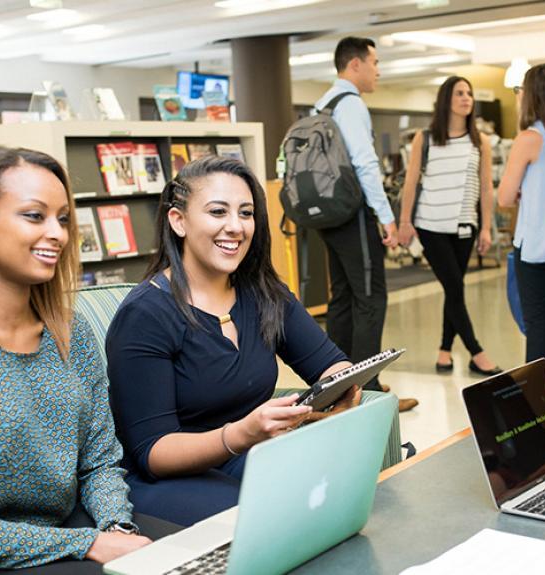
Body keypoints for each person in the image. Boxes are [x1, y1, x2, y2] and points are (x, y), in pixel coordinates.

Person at [0, 146, 171, 574]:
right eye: (34, 215)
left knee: (186, 553)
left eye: (62, 218)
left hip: (60, 526)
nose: (58, 233)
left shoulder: (69, 332)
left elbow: (99, 461)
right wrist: (89, 543)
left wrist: (116, 528)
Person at [105, 156, 361, 527]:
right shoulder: (146, 315)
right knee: (265, 512)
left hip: (247, 453)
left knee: (343, 482)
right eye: (217, 212)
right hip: (166, 477)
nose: (235, 227)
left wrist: (340, 392)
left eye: (246, 213)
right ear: (178, 221)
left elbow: (330, 365)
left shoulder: (263, 294)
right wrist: (242, 434)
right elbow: (152, 452)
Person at [315, 36, 418, 411]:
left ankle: (335, 388)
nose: (378, 70)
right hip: (352, 213)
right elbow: (364, 164)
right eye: (374, 62)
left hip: (329, 217)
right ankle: (368, 391)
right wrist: (385, 216)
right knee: (371, 297)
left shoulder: (321, 103)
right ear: (354, 64)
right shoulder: (351, 104)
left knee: (342, 298)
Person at [397, 75, 501, 376]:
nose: (466, 98)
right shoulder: (425, 138)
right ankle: (476, 352)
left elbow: (485, 187)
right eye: (459, 93)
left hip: (464, 225)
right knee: (455, 288)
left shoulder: (479, 141)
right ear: (447, 100)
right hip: (430, 225)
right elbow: (412, 181)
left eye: (469, 93)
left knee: (452, 289)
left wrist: (485, 228)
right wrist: (405, 221)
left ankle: (444, 351)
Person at [497, 63, 545, 409]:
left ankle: (539, 393)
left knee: (538, 320)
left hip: (535, 246)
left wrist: (523, 193)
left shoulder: (529, 139)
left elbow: (504, 197)